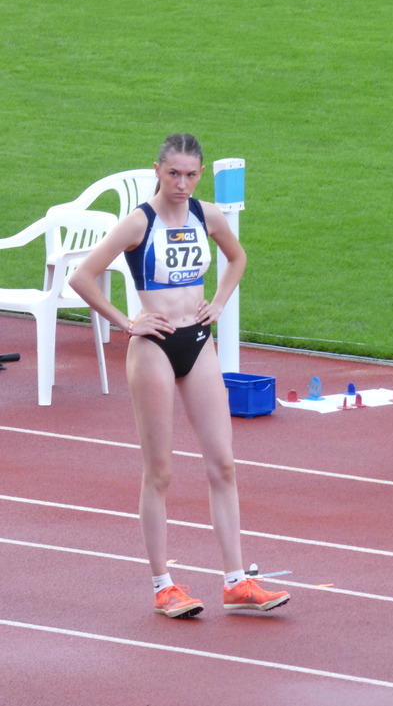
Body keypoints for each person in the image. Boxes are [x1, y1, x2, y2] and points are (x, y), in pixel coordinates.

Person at [69, 133, 290, 618]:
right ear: (157, 170)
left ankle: (236, 582)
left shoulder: (206, 216)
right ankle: (163, 585)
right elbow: (82, 276)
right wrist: (128, 322)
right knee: (161, 471)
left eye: (191, 175)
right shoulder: (137, 223)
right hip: (152, 347)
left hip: (197, 342)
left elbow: (238, 257)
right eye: (174, 174)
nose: (183, 183)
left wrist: (220, 300)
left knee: (224, 464)